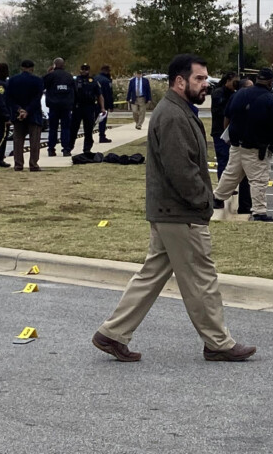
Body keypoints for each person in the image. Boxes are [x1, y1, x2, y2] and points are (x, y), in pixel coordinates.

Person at [92, 54, 256, 363]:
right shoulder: (173, 116)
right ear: (180, 82)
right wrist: (204, 201)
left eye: (206, 78)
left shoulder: (178, 110)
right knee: (202, 279)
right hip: (180, 214)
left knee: (151, 275)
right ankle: (218, 343)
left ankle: (111, 333)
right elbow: (181, 171)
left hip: (169, 211)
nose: (205, 84)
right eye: (199, 79)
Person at [211, 68, 273, 222]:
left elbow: (227, 117)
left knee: (231, 174)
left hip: (236, 145)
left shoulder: (239, 94)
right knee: (258, 179)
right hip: (257, 148)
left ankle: (217, 198)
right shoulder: (271, 101)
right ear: (270, 82)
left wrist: (228, 136)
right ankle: (259, 212)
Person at [212, 74, 252, 215]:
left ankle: (228, 196)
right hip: (221, 133)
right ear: (228, 81)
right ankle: (220, 196)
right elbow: (225, 115)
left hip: (235, 137)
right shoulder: (220, 94)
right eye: (234, 82)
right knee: (225, 163)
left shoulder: (235, 95)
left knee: (236, 169)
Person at [6, 59, 46, 171]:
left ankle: (18, 164)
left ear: (22, 68)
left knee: (18, 140)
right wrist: (27, 110)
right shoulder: (37, 80)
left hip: (17, 115)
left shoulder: (12, 80)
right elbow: (37, 98)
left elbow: (8, 98)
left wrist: (19, 110)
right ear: (32, 68)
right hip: (34, 114)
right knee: (34, 141)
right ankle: (33, 164)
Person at [69, 63, 106, 155]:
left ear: (89, 70)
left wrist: (102, 108)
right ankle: (68, 147)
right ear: (80, 70)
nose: (84, 71)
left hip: (89, 107)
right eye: (83, 69)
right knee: (74, 129)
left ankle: (87, 149)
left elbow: (99, 95)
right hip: (77, 107)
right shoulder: (75, 80)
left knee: (88, 129)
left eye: (86, 69)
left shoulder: (93, 81)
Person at [43, 57, 75, 157]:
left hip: (53, 106)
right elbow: (74, 91)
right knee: (66, 128)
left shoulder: (50, 76)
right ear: (63, 65)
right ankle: (66, 149)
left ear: (54, 65)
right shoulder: (69, 76)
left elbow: (41, 86)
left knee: (53, 128)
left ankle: (51, 149)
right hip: (66, 106)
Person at [95, 65, 115, 143]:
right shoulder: (106, 81)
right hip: (104, 104)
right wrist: (111, 106)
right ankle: (102, 136)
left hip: (93, 103)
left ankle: (88, 137)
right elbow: (109, 94)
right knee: (102, 121)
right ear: (106, 71)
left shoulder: (94, 78)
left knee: (92, 121)